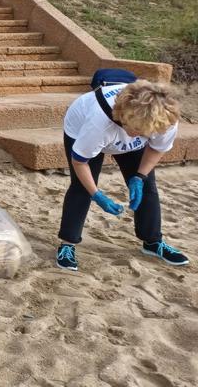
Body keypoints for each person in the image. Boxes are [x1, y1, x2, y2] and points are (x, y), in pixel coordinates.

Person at [56, 80, 189, 271]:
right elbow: (80, 162)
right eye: (136, 130)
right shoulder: (98, 123)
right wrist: (97, 195)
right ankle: (67, 244)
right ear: (124, 116)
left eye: (144, 133)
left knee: (147, 187)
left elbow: (156, 148)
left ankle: (152, 242)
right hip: (82, 128)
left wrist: (140, 177)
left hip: (123, 128)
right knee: (81, 187)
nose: (137, 136)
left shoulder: (164, 120)